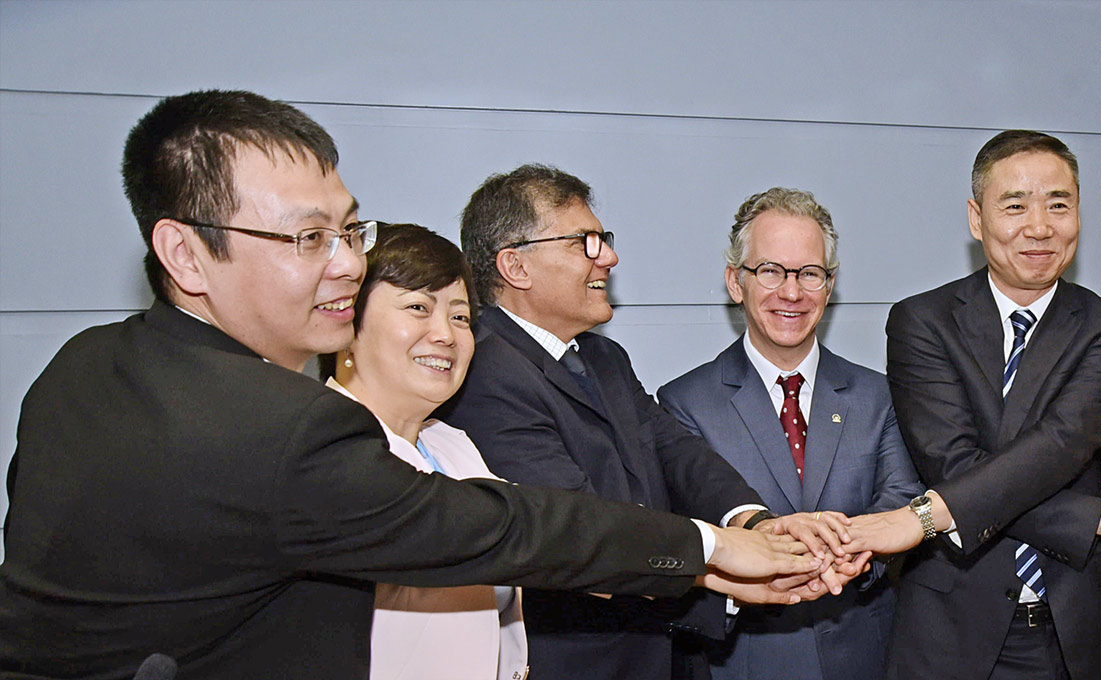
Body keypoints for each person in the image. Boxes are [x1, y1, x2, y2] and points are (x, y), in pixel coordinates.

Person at [0, 90, 820, 680]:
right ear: (184, 254)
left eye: (348, 227)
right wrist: (712, 547)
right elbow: (504, 528)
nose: (347, 262)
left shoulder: (80, 367)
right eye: (308, 237)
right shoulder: (279, 425)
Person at [438, 165, 861, 680]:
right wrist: (724, 564)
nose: (609, 257)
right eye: (585, 242)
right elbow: (579, 531)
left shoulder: (602, 358)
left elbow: (676, 452)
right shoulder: (483, 370)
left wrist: (755, 523)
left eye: (604, 240)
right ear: (515, 266)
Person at [841, 129, 1101, 680]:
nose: (1039, 227)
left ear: (1079, 214)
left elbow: (1062, 445)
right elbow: (953, 466)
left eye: (1057, 205)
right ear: (977, 218)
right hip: (951, 624)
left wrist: (925, 516)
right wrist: (1098, 520)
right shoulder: (923, 321)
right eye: (1015, 206)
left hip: (1080, 628)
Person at [658, 187, 924, 680]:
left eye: (809, 273)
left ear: (830, 285)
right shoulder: (683, 404)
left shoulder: (877, 394)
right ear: (735, 282)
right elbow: (690, 538)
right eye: (771, 271)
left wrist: (854, 555)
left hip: (866, 653)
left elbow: (900, 500)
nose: (792, 292)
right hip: (743, 660)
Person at [325, 224, 529, 680]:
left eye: (460, 317)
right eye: (418, 307)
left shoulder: (451, 443)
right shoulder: (324, 452)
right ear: (345, 323)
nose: (446, 335)